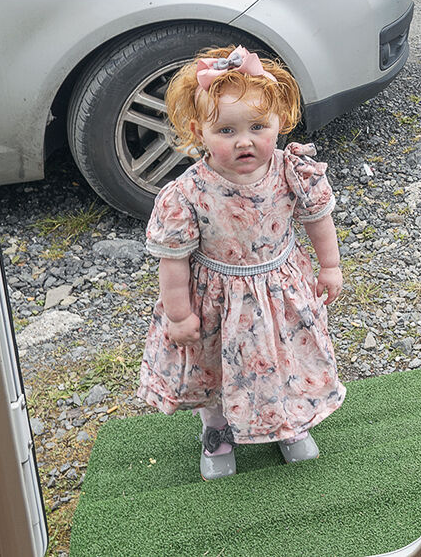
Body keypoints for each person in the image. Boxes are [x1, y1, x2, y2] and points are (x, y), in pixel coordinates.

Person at [136, 45, 345, 480]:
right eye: (226, 130)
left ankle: (289, 419)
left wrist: (330, 266)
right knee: (215, 366)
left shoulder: (292, 171)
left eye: (257, 127)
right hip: (218, 300)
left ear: (280, 123)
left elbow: (317, 219)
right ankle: (216, 429)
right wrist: (178, 313)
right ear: (198, 132)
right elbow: (172, 259)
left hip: (279, 293)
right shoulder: (189, 193)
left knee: (286, 356)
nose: (244, 140)